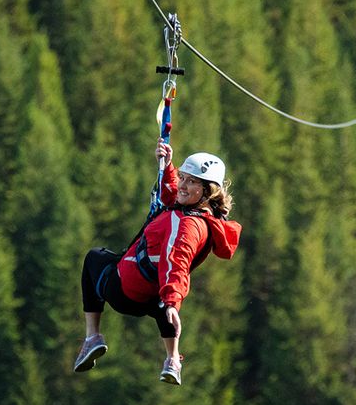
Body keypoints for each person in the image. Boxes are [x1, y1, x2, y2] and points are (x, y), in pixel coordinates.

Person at [75, 141, 241, 385]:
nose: (183, 185)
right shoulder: (205, 216)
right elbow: (172, 196)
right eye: (183, 178)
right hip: (155, 297)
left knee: (95, 257)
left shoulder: (187, 225)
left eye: (191, 181)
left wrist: (173, 300)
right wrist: (167, 165)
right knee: (165, 303)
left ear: (208, 191)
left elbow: (178, 260)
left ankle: (92, 337)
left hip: (126, 290)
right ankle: (172, 359)